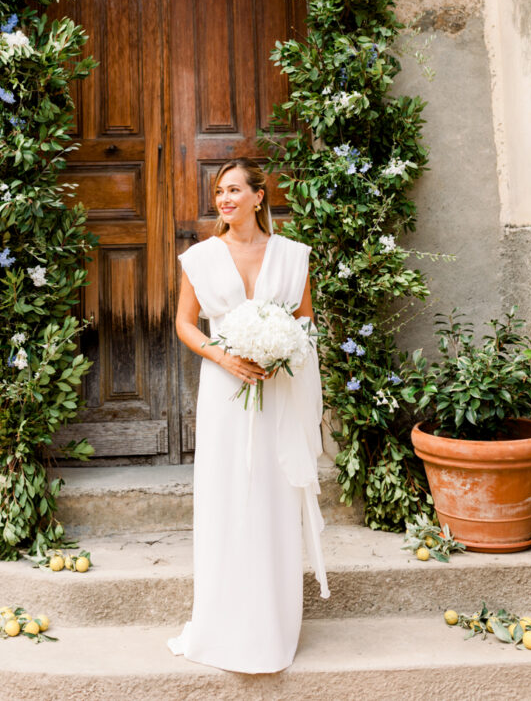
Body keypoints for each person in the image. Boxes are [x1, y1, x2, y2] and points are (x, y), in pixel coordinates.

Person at [167, 157, 329, 674]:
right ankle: (223, 623)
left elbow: (305, 321)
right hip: (225, 390)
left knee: (272, 498)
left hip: (276, 390)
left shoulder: (293, 256)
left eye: (235, 190)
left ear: (260, 197)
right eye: (220, 191)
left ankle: (272, 624)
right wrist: (224, 357)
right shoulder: (201, 258)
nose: (225, 199)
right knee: (228, 496)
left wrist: (283, 351)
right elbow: (185, 324)